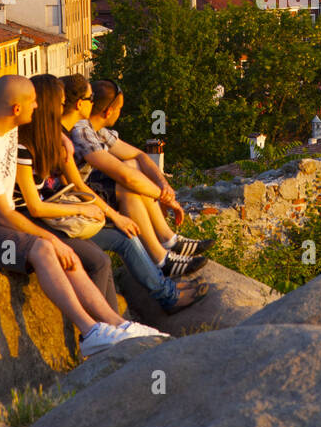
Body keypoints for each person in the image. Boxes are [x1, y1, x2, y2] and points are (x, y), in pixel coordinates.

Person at [0, 74, 162, 357]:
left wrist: (62, 138)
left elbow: (40, 133)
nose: (37, 106)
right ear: (17, 109)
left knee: (70, 255)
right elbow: (4, 215)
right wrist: (52, 240)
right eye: (33, 102)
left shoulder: (2, 120)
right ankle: (90, 332)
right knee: (45, 248)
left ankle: (117, 325)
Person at [17, 75, 207, 315]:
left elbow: (74, 184)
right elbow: (40, 205)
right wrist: (110, 214)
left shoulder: (57, 137)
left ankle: (122, 320)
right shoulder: (33, 144)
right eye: (89, 98)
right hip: (46, 223)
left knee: (111, 250)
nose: (92, 102)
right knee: (110, 250)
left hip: (60, 216)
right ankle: (161, 290)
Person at [62, 75, 213, 279]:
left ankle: (168, 240)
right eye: (120, 108)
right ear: (108, 111)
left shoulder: (94, 129)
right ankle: (161, 258)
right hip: (76, 197)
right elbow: (126, 178)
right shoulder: (82, 130)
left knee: (132, 165)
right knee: (128, 186)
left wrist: (163, 185)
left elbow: (139, 155)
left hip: (84, 188)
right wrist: (165, 197)